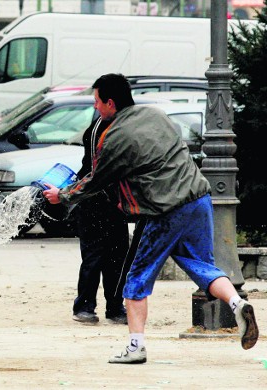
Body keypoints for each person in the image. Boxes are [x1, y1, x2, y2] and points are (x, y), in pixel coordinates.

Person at [43, 73, 259, 363]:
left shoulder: (117, 136)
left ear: (110, 102)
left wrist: (63, 195)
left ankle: (135, 347)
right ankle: (236, 303)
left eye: (97, 102)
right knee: (200, 265)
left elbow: (97, 179)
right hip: (198, 198)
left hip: (165, 209)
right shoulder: (154, 114)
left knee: (136, 278)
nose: (95, 108)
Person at [70, 114, 131, 325]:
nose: (95, 106)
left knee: (117, 257)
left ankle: (114, 306)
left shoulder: (117, 125)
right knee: (94, 255)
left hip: (114, 203)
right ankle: (85, 306)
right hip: (93, 200)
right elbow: (95, 171)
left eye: (97, 100)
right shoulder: (100, 128)